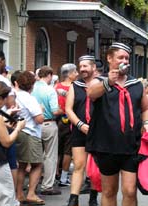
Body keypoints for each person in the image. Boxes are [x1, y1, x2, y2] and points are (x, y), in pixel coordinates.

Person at [86, 42, 148, 206]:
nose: (124, 61)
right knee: (109, 191)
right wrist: (109, 82)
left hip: (131, 145)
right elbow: (91, 94)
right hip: (106, 145)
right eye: (120, 57)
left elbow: (146, 107)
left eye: (127, 58)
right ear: (109, 58)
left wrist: (146, 122)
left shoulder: (136, 84)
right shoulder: (99, 82)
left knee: (130, 191)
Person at [65, 55, 99, 206]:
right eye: (81, 66)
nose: (82, 69)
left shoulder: (101, 85)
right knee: (79, 165)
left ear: (93, 67)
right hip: (79, 130)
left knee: (95, 167)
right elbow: (68, 109)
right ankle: (74, 199)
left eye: (86, 66)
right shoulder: (75, 85)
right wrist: (79, 124)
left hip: (98, 131)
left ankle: (93, 197)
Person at [14, 71, 45, 204]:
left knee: (21, 164)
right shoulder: (29, 98)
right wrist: (41, 110)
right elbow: (39, 119)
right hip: (30, 133)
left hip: (19, 132)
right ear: (32, 85)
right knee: (37, 164)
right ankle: (31, 193)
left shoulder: (14, 95)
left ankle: (19, 193)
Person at [32, 66, 62, 195]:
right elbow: (55, 110)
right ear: (49, 75)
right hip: (49, 123)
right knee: (50, 156)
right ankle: (47, 185)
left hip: (33, 125)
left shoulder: (32, 88)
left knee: (36, 157)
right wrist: (63, 109)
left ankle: (33, 184)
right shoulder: (50, 90)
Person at [55, 63, 78, 187]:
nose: (77, 74)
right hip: (70, 121)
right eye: (75, 72)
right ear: (69, 75)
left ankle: (55, 174)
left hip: (57, 120)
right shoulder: (75, 88)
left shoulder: (55, 87)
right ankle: (63, 178)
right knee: (68, 150)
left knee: (57, 149)